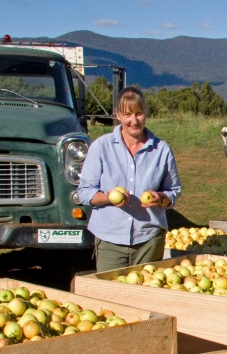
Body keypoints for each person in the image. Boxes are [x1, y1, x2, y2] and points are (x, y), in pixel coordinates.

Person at [78, 86, 182, 272]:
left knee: (145, 296)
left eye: (139, 113)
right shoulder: (101, 147)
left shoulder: (161, 150)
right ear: (118, 115)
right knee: (110, 296)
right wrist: (108, 197)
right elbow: (85, 192)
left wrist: (160, 198)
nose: (134, 121)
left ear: (146, 114)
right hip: (110, 239)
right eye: (127, 114)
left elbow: (173, 191)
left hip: (149, 240)